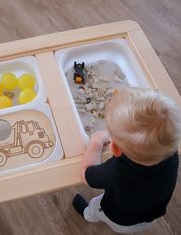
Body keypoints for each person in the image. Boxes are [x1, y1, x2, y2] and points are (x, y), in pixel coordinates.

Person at [73, 88, 181, 234]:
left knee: (95, 207)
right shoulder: (172, 154)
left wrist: (96, 143)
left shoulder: (116, 173)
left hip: (118, 218)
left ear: (115, 149)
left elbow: (85, 174)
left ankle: (88, 215)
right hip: (150, 217)